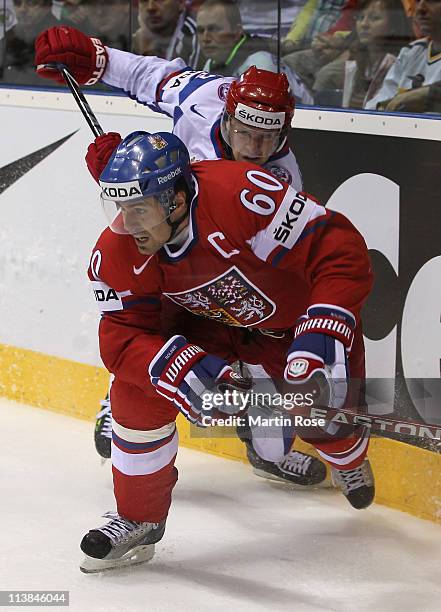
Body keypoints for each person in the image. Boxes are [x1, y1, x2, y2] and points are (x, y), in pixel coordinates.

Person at [35, 25, 323, 489]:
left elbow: (263, 267)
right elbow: (150, 75)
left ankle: (264, 443)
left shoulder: (283, 180)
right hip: (160, 233)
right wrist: (98, 60)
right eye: (245, 133)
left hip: (212, 262)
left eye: (268, 139)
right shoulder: (202, 96)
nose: (255, 149)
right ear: (227, 113)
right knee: (141, 322)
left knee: (252, 348)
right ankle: (120, 400)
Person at [78, 130, 374, 573]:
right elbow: (121, 333)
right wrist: (177, 369)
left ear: (176, 200)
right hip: (207, 327)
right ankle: (138, 517)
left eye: (138, 209)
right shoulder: (117, 248)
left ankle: (347, 456)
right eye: (119, 208)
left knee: (320, 419)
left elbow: (338, 250)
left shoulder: (241, 195)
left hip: (285, 326)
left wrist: (319, 333)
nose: (126, 225)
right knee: (135, 394)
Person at [365, 0, 441, 111]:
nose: (420, 9)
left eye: (432, 1)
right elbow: (376, 105)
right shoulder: (411, 52)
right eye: (418, 1)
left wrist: (427, 95)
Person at [195, 0, 278, 75]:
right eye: (200, 30)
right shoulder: (211, 62)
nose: (205, 38)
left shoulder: (259, 65)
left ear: (237, 32)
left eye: (213, 29)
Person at [133, 0, 200, 68]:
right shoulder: (132, 34)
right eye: (144, 1)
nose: (151, 7)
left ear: (181, 2)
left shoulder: (196, 36)